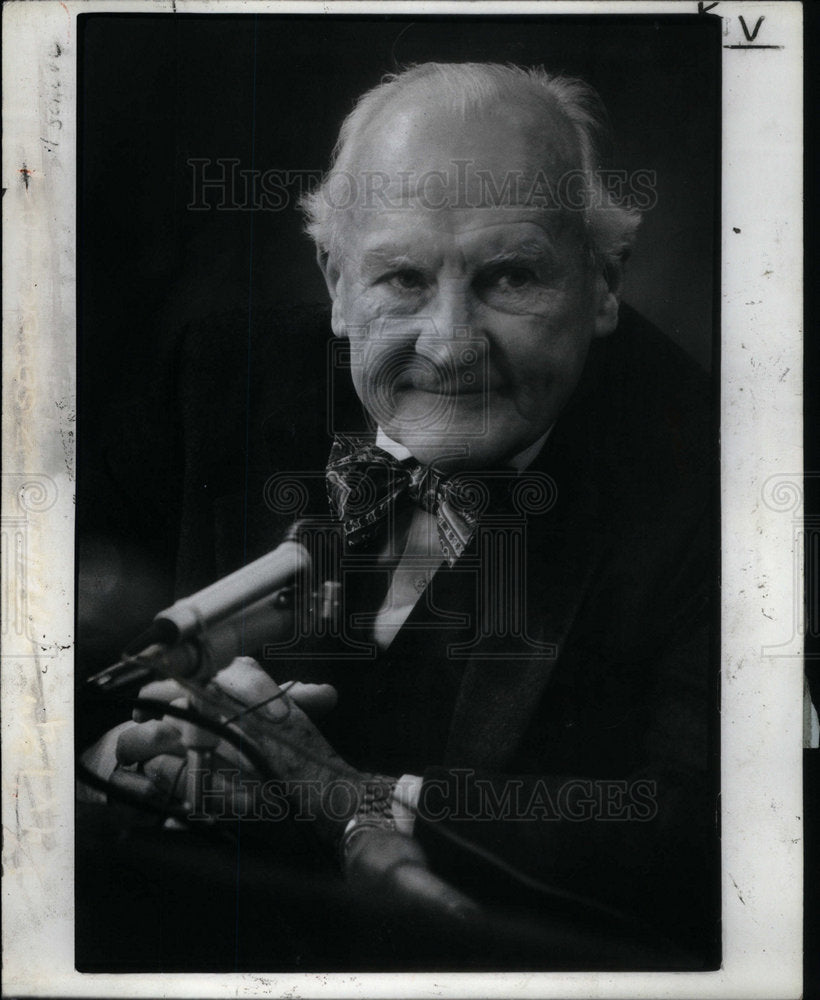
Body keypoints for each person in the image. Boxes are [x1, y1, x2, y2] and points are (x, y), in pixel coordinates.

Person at [79, 62, 717, 967]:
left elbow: (712, 833)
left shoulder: (716, 477)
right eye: (403, 279)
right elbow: (33, 647)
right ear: (336, 282)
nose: (451, 345)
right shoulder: (209, 381)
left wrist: (347, 796)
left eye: (509, 277)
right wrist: (109, 760)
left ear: (603, 282)